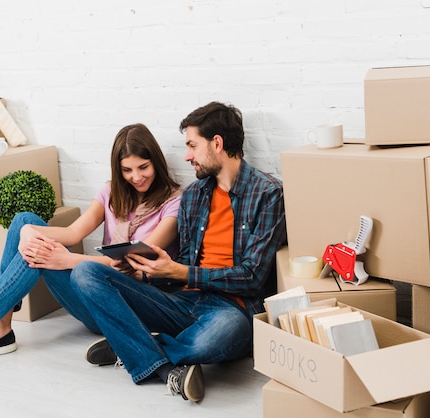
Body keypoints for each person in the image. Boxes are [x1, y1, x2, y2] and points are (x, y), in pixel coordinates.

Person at [0, 123, 182, 366]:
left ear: (156, 161)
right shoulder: (111, 192)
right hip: (85, 291)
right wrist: (25, 231)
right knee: (25, 221)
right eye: (127, 170)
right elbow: (73, 233)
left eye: (143, 167)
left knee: (40, 251)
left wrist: (68, 261)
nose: (136, 176)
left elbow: (135, 263)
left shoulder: (174, 202)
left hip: (121, 307)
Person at [71, 102, 287, 403]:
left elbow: (253, 277)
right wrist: (149, 271)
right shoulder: (195, 195)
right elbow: (185, 261)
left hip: (232, 310)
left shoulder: (268, 194)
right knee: (86, 273)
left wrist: (180, 272)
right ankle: (156, 358)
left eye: (192, 146)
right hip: (184, 300)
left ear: (217, 143)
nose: (187, 155)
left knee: (214, 339)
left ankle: (133, 346)